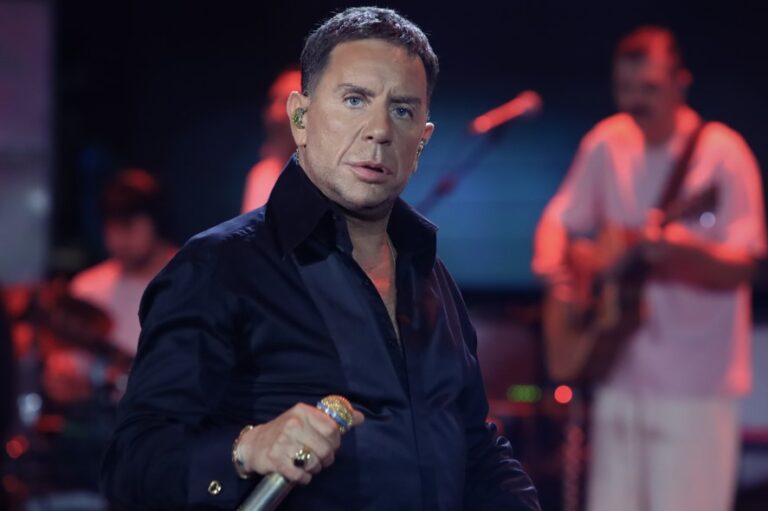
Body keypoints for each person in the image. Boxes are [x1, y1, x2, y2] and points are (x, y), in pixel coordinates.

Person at [101, 7, 540, 510]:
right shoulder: (218, 268)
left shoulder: (432, 278)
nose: (379, 130)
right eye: (355, 100)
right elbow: (132, 465)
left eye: (402, 110)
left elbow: (476, 449)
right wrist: (246, 448)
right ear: (300, 118)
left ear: (422, 141)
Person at [532, 26, 766, 511]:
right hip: (617, 374)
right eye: (625, 88)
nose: (635, 101)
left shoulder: (722, 154)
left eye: (650, 88)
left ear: (681, 83)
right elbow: (559, 219)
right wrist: (558, 274)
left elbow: (747, 264)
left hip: (694, 386)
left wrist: (678, 252)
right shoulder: (607, 141)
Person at [70, 168, 176, 359]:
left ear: (158, 222)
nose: (118, 239)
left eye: (128, 225)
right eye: (111, 227)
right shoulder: (86, 289)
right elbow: (73, 361)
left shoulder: (192, 283)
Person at [242, 67, 302, 212]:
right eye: (273, 101)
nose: (275, 114)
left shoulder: (331, 179)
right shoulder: (262, 176)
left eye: (288, 102)